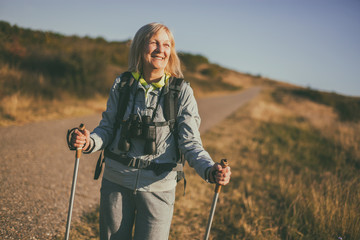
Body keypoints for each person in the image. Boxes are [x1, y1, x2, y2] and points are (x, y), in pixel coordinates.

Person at [70, 22, 231, 240]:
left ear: (171, 51)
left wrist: (210, 170)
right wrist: (87, 142)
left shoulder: (181, 92)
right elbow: (106, 129)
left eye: (166, 44)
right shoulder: (123, 84)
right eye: (153, 42)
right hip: (116, 182)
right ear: (139, 46)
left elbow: (190, 144)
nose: (160, 49)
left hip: (159, 189)